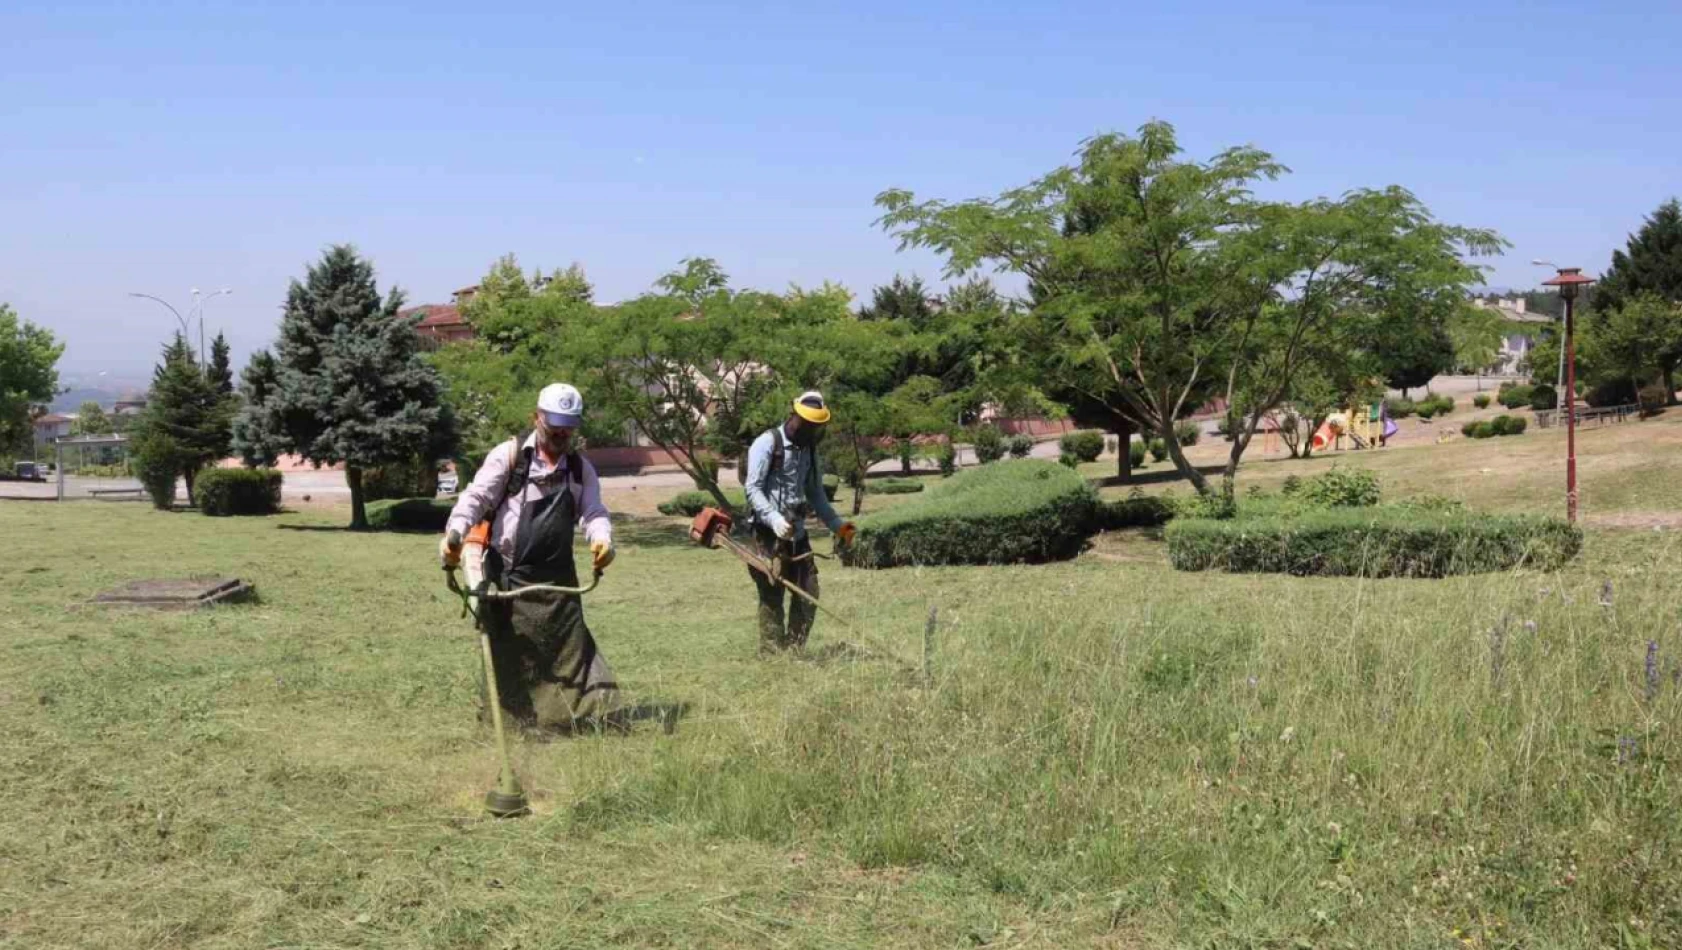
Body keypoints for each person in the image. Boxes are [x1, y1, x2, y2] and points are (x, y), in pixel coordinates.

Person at [439, 383, 619, 731]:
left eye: (569, 427)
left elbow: (594, 511)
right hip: (510, 579)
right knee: (511, 659)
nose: (562, 434)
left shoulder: (580, 469)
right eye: (555, 426)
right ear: (536, 417)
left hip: (558, 584)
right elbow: (475, 499)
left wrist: (603, 540)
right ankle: (511, 726)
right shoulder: (509, 458)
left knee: (566, 657)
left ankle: (566, 721)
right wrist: (456, 533)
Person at [742, 391, 856, 653]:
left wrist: (842, 527)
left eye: (816, 428)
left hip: (798, 534)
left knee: (808, 592)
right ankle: (772, 654)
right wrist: (773, 519)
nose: (811, 432)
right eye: (808, 425)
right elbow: (752, 489)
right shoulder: (767, 443)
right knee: (772, 595)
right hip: (767, 535)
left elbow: (816, 494)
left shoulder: (811, 451)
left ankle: (794, 650)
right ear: (794, 416)